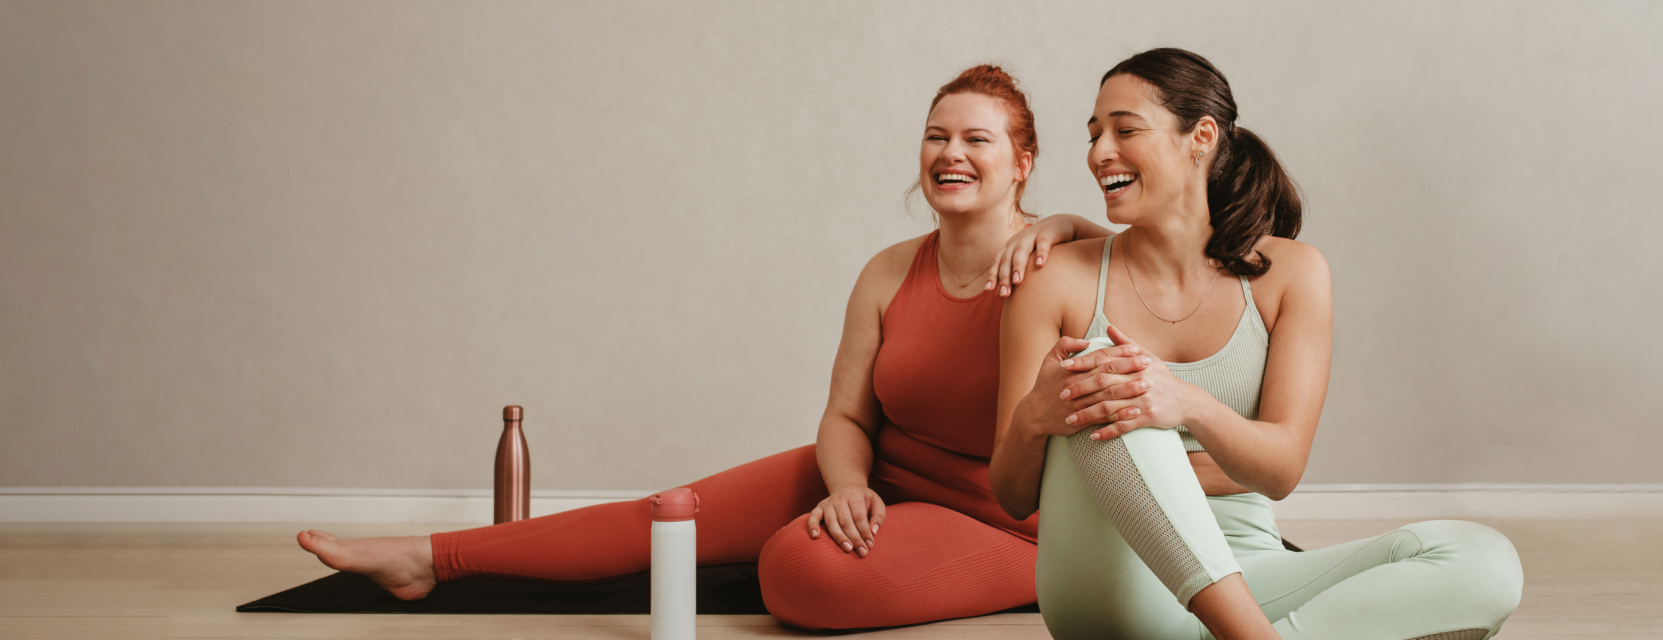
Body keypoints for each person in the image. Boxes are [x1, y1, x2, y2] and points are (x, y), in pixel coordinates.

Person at [295, 64, 1112, 630]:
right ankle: (426, 559)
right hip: (887, 474)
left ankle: (928, 563)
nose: (950, 155)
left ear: (1021, 162)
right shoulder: (888, 271)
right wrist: (847, 484)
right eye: (937, 137)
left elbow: (1130, 261)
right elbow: (842, 415)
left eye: (976, 140)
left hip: (1006, 523)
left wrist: (1066, 221)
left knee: (798, 572)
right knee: (667, 516)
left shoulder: (1057, 261)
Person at [992, 48, 1525, 640]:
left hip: (1256, 575)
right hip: (1112, 582)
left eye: (1125, 130)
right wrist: (1033, 422)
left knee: (1484, 562)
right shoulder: (1054, 278)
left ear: (1200, 136)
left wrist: (1184, 404)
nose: (1099, 153)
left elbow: (1279, 469)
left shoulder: (1292, 273)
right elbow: (1012, 496)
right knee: (1111, 376)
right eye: (1093, 135)